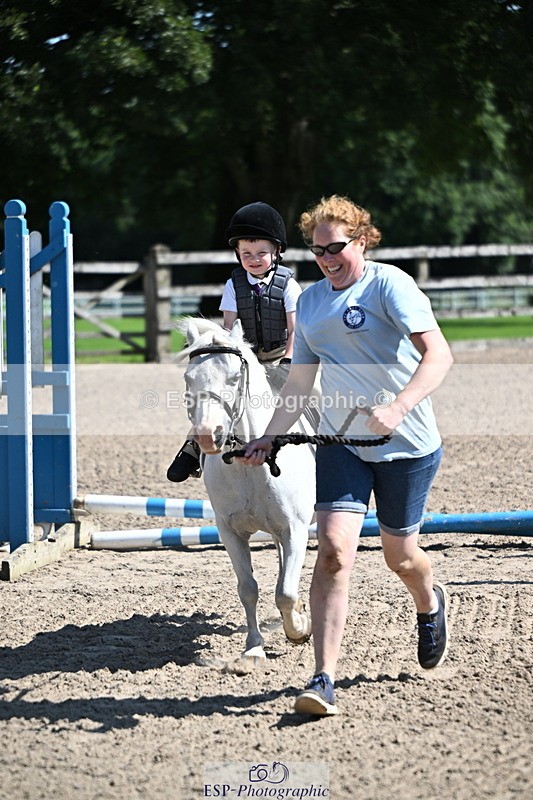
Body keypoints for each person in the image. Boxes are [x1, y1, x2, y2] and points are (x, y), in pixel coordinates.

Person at [240, 195, 454, 716]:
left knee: (400, 558)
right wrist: (269, 436)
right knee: (334, 552)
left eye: (335, 248)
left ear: (361, 240)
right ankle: (322, 678)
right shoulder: (312, 303)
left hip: (407, 446)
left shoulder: (390, 285)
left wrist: (399, 407)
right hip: (341, 445)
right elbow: (299, 383)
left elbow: (439, 354)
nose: (327, 259)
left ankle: (430, 602)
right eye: (317, 251)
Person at [166, 201, 302, 482]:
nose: (254, 259)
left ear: (277, 251)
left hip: (282, 354)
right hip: (246, 357)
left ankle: (332, 447)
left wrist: (288, 363)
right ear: (237, 253)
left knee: (314, 393)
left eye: (261, 253)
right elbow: (229, 329)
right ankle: (193, 445)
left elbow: (295, 331)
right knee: (215, 396)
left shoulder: (289, 285)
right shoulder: (233, 285)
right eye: (246, 253)